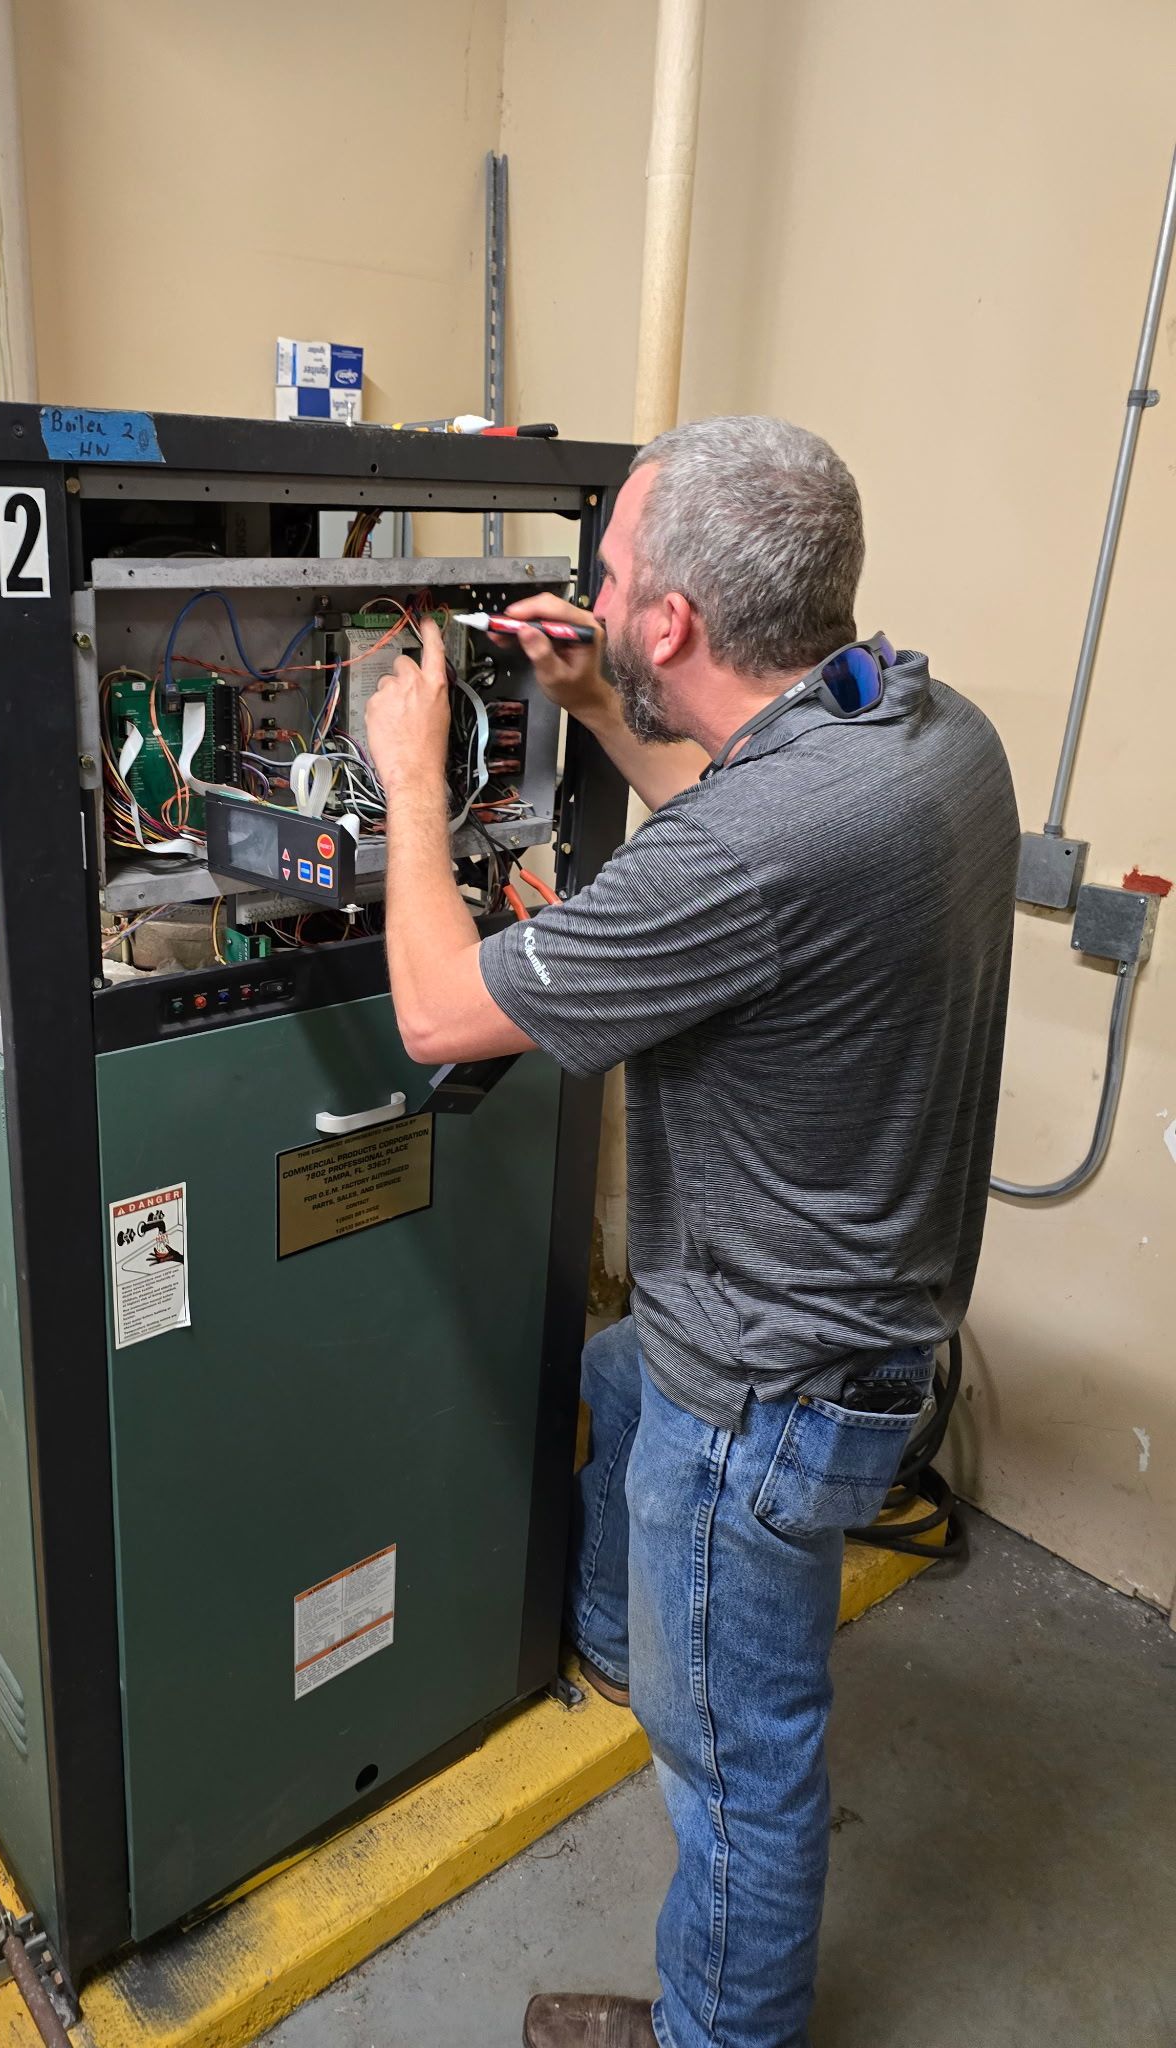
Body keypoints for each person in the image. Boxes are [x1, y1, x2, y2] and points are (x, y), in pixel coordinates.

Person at [362, 414, 1018, 2048]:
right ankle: (617, 1637)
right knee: (615, 1366)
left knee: (741, 1774)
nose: (588, 588)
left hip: (773, 1395)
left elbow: (443, 1015)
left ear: (677, 623)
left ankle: (716, 2035)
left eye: (610, 576)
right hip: (859, 1319)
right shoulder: (932, 735)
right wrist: (595, 709)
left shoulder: (758, 849)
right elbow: (745, 823)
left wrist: (411, 786)